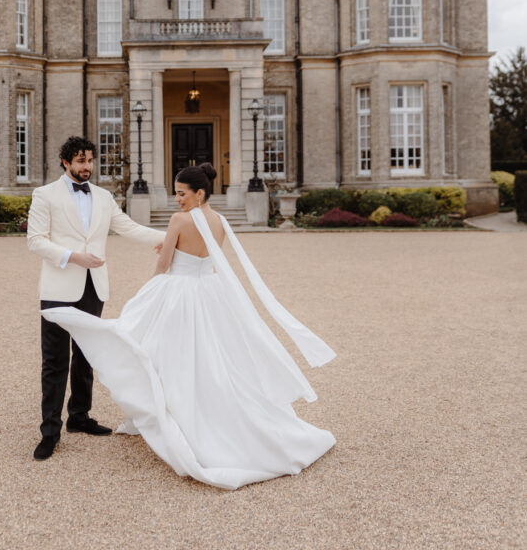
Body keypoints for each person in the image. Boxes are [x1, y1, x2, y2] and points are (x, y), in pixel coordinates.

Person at [43, 163, 336, 489]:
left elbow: (164, 264)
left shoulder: (179, 220)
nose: (177, 199)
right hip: (210, 293)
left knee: (165, 354)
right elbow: (208, 256)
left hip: (179, 295)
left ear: (200, 193)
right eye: (176, 193)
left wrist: (150, 290)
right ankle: (202, 413)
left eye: (182, 193)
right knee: (213, 358)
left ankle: (172, 415)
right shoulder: (220, 220)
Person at [27, 135, 165, 461]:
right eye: (80, 161)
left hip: (93, 287)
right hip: (58, 288)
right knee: (55, 361)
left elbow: (128, 227)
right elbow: (35, 241)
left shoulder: (103, 197)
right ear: (66, 162)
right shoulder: (45, 195)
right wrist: (74, 257)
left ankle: (79, 416)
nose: (87, 166)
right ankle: (50, 432)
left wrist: (167, 237)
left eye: (90, 160)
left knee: (86, 356)